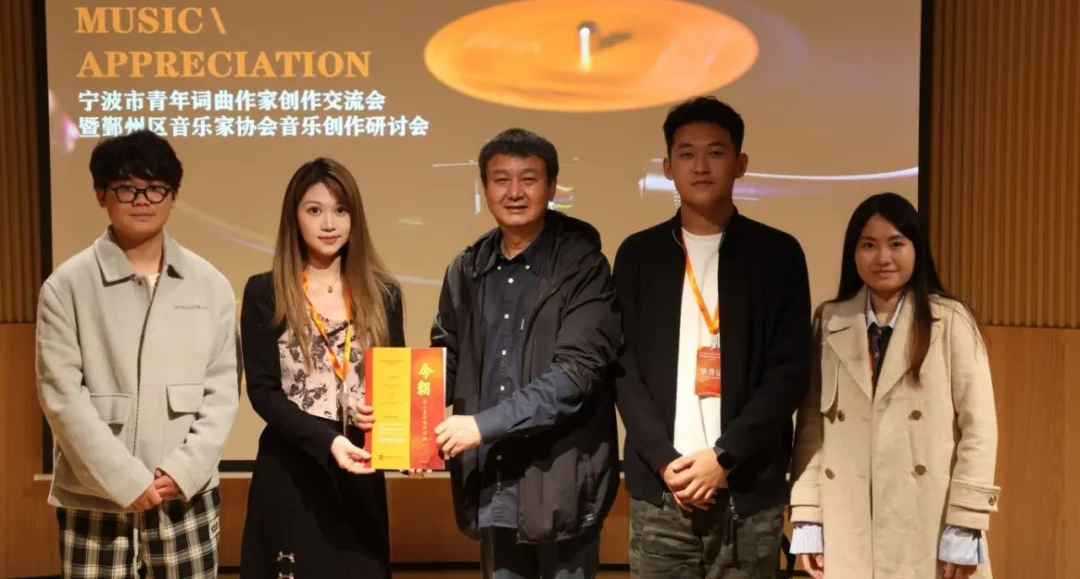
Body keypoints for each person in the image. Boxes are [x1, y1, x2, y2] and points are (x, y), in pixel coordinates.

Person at [613, 96, 813, 578]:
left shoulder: (778, 254)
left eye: (715, 152)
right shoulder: (638, 255)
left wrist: (724, 458)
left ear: (740, 163)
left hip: (748, 490)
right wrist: (663, 461)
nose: (700, 166)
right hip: (662, 492)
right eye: (686, 153)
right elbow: (622, 367)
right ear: (668, 167)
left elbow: (789, 373)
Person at [35, 130, 239, 578]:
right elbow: (62, 398)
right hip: (95, 495)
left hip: (182, 493)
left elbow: (223, 390)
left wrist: (184, 470)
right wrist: (123, 479)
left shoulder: (210, 283)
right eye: (127, 188)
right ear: (101, 194)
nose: (143, 200)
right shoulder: (66, 286)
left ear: (173, 196)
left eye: (156, 188)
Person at [430, 128, 622, 579]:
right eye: (501, 180)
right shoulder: (467, 268)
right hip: (493, 480)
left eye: (529, 179)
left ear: (552, 187)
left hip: (561, 480)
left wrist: (482, 426)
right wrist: (408, 426)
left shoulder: (583, 266)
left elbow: (575, 374)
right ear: (485, 188)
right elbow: (445, 359)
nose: (514, 192)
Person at [789, 192, 1000, 579]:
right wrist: (807, 516)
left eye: (896, 243)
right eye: (869, 245)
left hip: (930, 523)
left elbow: (979, 429)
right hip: (847, 527)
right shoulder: (830, 320)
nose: (882, 257)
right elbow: (811, 429)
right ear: (853, 253)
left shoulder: (950, 321)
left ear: (916, 249)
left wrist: (966, 521)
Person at [239, 157, 404, 578]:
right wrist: (327, 441)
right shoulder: (266, 291)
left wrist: (393, 428)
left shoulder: (383, 292)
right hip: (291, 471)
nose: (329, 223)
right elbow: (263, 392)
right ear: (294, 217)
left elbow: (395, 381)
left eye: (340, 210)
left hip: (359, 470)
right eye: (314, 210)